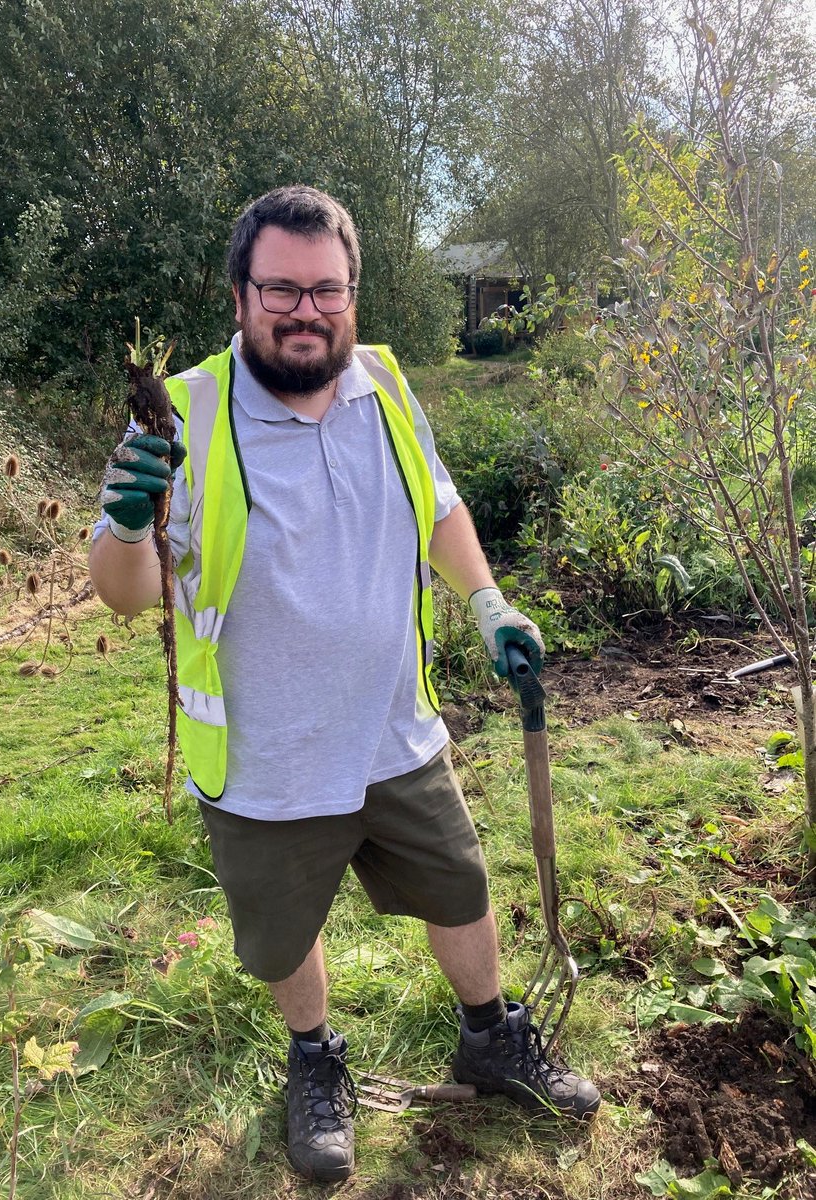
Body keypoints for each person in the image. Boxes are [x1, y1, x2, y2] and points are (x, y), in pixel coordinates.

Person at [89, 185, 600, 1184]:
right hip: (265, 756)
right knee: (284, 937)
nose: (306, 310)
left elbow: (439, 506)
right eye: (281, 288)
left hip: (393, 733)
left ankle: (492, 1038)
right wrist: (120, 523)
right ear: (240, 295)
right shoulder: (185, 414)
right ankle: (316, 1060)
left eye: (327, 289)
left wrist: (488, 600)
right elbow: (126, 595)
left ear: (352, 293)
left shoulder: (386, 387)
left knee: (460, 886)